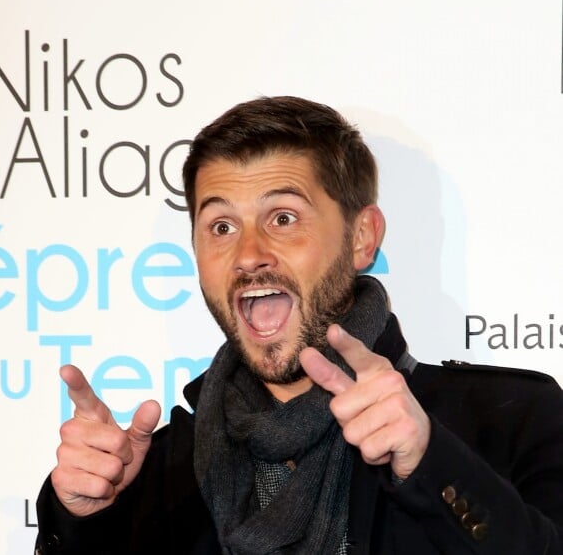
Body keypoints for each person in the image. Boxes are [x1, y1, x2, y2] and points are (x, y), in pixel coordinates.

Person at [35, 96, 563, 555]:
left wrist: (432, 464)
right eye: (221, 226)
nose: (248, 255)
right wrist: (87, 523)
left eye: (283, 218)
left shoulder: (508, 421)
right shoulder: (159, 471)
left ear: (361, 237)